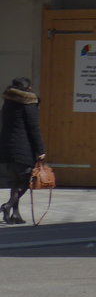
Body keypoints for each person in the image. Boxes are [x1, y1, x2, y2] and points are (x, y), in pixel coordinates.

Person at [0, 77, 46, 225]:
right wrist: (40, 149)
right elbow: (34, 129)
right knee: (25, 182)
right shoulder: (28, 103)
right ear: (28, 89)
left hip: (7, 148)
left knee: (15, 181)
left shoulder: (8, 103)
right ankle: (7, 207)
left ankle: (15, 214)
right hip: (22, 149)